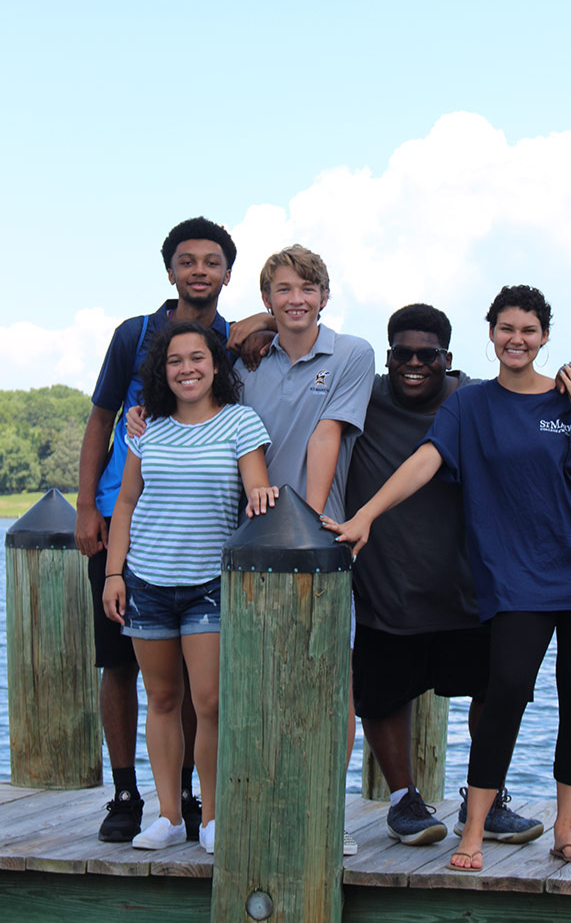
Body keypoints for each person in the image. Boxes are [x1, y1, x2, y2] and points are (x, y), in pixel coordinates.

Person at [322, 285, 571, 871]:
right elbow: (425, 460)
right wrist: (366, 514)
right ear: (490, 333)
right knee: (506, 695)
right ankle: (472, 833)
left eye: (529, 331)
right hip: (518, 580)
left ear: (545, 337)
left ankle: (566, 829)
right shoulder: (469, 405)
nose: (517, 340)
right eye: (506, 329)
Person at [130, 243, 375, 855]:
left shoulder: (351, 354)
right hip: (242, 557)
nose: (296, 300)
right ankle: (245, 806)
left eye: (307, 289)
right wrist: (145, 420)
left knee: (327, 683)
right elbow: (200, 401)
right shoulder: (243, 361)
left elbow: (327, 436)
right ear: (266, 298)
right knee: (246, 689)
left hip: (316, 542)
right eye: (282, 292)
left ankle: (326, 810)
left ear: (326, 295)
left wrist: (311, 525)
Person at [347, 303, 543, 847]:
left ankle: (486, 797)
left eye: (426, 355)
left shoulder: (475, 399)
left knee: (496, 688)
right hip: (388, 583)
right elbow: (302, 340)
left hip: (470, 583)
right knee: (383, 696)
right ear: (387, 357)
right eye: (402, 354)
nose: (414, 364)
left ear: (448, 359)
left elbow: (535, 412)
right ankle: (404, 801)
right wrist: (259, 323)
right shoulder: (360, 395)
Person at [75, 216, 237, 842]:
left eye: (212, 261)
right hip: (124, 519)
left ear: (227, 272)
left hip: (196, 533)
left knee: (200, 681)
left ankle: (191, 799)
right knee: (119, 664)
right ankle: (125, 792)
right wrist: (89, 505)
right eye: (188, 260)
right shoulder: (134, 334)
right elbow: (101, 420)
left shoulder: (228, 337)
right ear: (170, 269)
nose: (200, 270)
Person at [102, 322, 276, 853]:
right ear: (164, 372)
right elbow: (127, 502)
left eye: (197, 358)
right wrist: (114, 573)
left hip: (209, 585)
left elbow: (256, 486)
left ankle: (214, 817)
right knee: (161, 699)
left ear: (216, 365)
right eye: (175, 361)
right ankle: (170, 816)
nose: (187, 369)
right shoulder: (146, 428)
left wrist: (261, 496)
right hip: (147, 582)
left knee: (209, 703)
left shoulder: (240, 423)